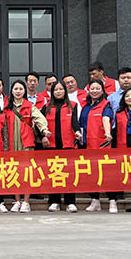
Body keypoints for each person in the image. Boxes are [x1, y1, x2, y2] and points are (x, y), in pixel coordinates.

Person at [5, 80, 51, 213]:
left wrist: (44, 129)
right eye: (16, 89)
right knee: (14, 172)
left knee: (27, 173)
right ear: (12, 91)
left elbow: (39, 118)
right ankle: (17, 201)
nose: (18, 91)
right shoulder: (7, 108)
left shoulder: (29, 106)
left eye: (20, 89)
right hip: (12, 145)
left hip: (26, 144)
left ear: (24, 91)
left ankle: (26, 201)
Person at [42, 81, 82, 213]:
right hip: (52, 145)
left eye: (61, 89)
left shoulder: (73, 105)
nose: (58, 92)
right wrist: (42, 135)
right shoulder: (46, 106)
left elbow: (75, 122)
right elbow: (40, 123)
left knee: (69, 174)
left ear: (65, 91)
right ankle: (54, 201)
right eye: (56, 90)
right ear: (52, 92)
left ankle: (70, 202)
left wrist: (77, 131)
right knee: (54, 173)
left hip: (68, 145)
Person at [80, 79, 118, 213]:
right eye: (92, 88)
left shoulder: (106, 105)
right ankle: (95, 200)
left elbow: (106, 119)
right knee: (91, 173)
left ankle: (112, 201)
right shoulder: (85, 106)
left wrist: (107, 133)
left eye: (97, 88)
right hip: (87, 144)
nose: (94, 91)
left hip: (102, 144)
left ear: (102, 90)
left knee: (107, 173)